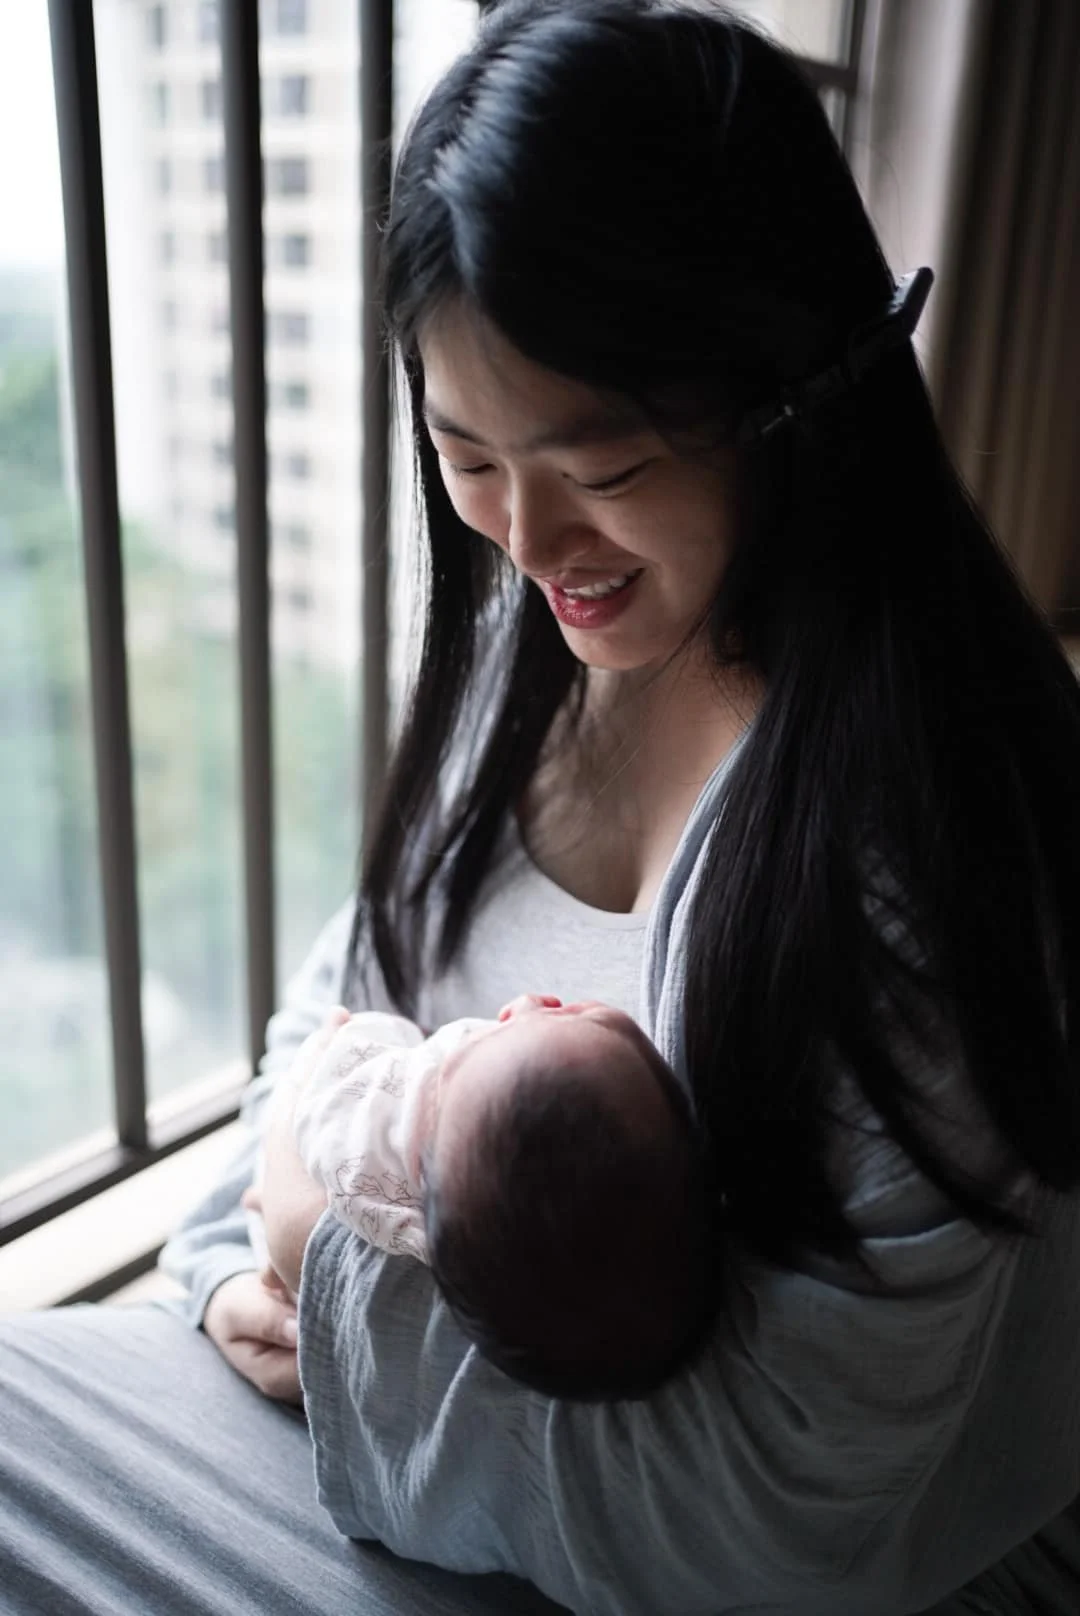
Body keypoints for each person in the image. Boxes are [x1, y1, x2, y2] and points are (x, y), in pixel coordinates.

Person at [2, 2, 1080, 1611]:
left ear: (791, 387)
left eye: (606, 460)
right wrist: (241, 1257)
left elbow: (774, 1525)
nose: (530, 535)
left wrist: (324, 1261)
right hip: (452, 1477)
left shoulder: (908, 850)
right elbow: (327, 1026)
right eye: (465, 454)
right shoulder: (537, 652)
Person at [248, 993, 713, 1399]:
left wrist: (282, 1208)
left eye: (478, 1040)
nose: (528, 1003)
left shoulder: (382, 1150)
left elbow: (329, 1056)